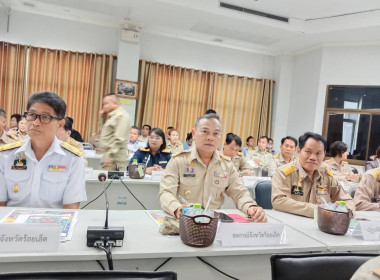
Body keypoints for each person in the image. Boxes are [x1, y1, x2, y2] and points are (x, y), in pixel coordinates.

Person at [158, 114, 267, 222]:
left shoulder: (226, 165)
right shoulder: (178, 160)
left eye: (216, 133)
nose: (210, 137)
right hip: (184, 222)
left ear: (220, 137)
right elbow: (165, 192)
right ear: (194, 133)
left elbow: (239, 193)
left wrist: (250, 207)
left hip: (213, 225)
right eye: (205, 132)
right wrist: (177, 209)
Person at [0, 91, 87, 208]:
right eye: (32, 115)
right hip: (11, 224)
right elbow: (1, 205)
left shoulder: (73, 159)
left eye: (45, 117)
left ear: (60, 124)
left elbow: (70, 208)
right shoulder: (6, 155)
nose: (35, 123)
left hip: (53, 225)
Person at [271, 132, 354, 218]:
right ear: (299, 151)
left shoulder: (325, 174)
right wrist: (320, 210)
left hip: (321, 227)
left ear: (324, 154)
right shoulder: (283, 173)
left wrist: (346, 210)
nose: (313, 157)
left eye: (318, 153)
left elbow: (348, 200)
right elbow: (279, 201)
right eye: (308, 152)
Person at [99, 93, 130, 170]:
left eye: (106, 103)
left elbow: (120, 138)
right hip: (108, 154)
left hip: (114, 156)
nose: (104, 106)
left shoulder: (122, 116)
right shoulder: (112, 116)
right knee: (104, 179)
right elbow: (104, 132)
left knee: (109, 181)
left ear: (115, 103)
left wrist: (110, 156)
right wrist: (102, 118)